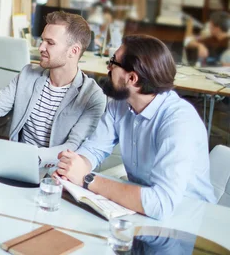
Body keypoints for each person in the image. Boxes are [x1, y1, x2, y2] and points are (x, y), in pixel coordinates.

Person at [55, 35, 216, 220]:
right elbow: (94, 149)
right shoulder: (121, 104)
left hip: (188, 221)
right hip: (139, 209)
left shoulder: (179, 121)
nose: (108, 67)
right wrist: (71, 169)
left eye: (113, 62)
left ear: (132, 78)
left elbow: (161, 204)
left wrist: (87, 179)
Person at [0, 11, 107, 165]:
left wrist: (28, 157)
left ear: (74, 51)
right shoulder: (28, 74)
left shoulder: (92, 97)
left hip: (54, 172)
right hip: (16, 163)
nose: (41, 48)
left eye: (50, 43)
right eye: (42, 40)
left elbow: (72, 147)